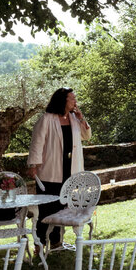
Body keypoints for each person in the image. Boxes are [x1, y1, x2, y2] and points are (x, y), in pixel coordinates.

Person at [27, 87, 91, 253]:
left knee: (62, 208)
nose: (75, 102)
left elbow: (86, 136)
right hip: (50, 171)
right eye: (72, 99)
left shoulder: (73, 118)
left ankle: (56, 242)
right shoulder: (47, 119)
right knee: (46, 209)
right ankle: (39, 245)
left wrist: (81, 118)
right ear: (63, 101)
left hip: (70, 172)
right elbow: (37, 143)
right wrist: (33, 165)